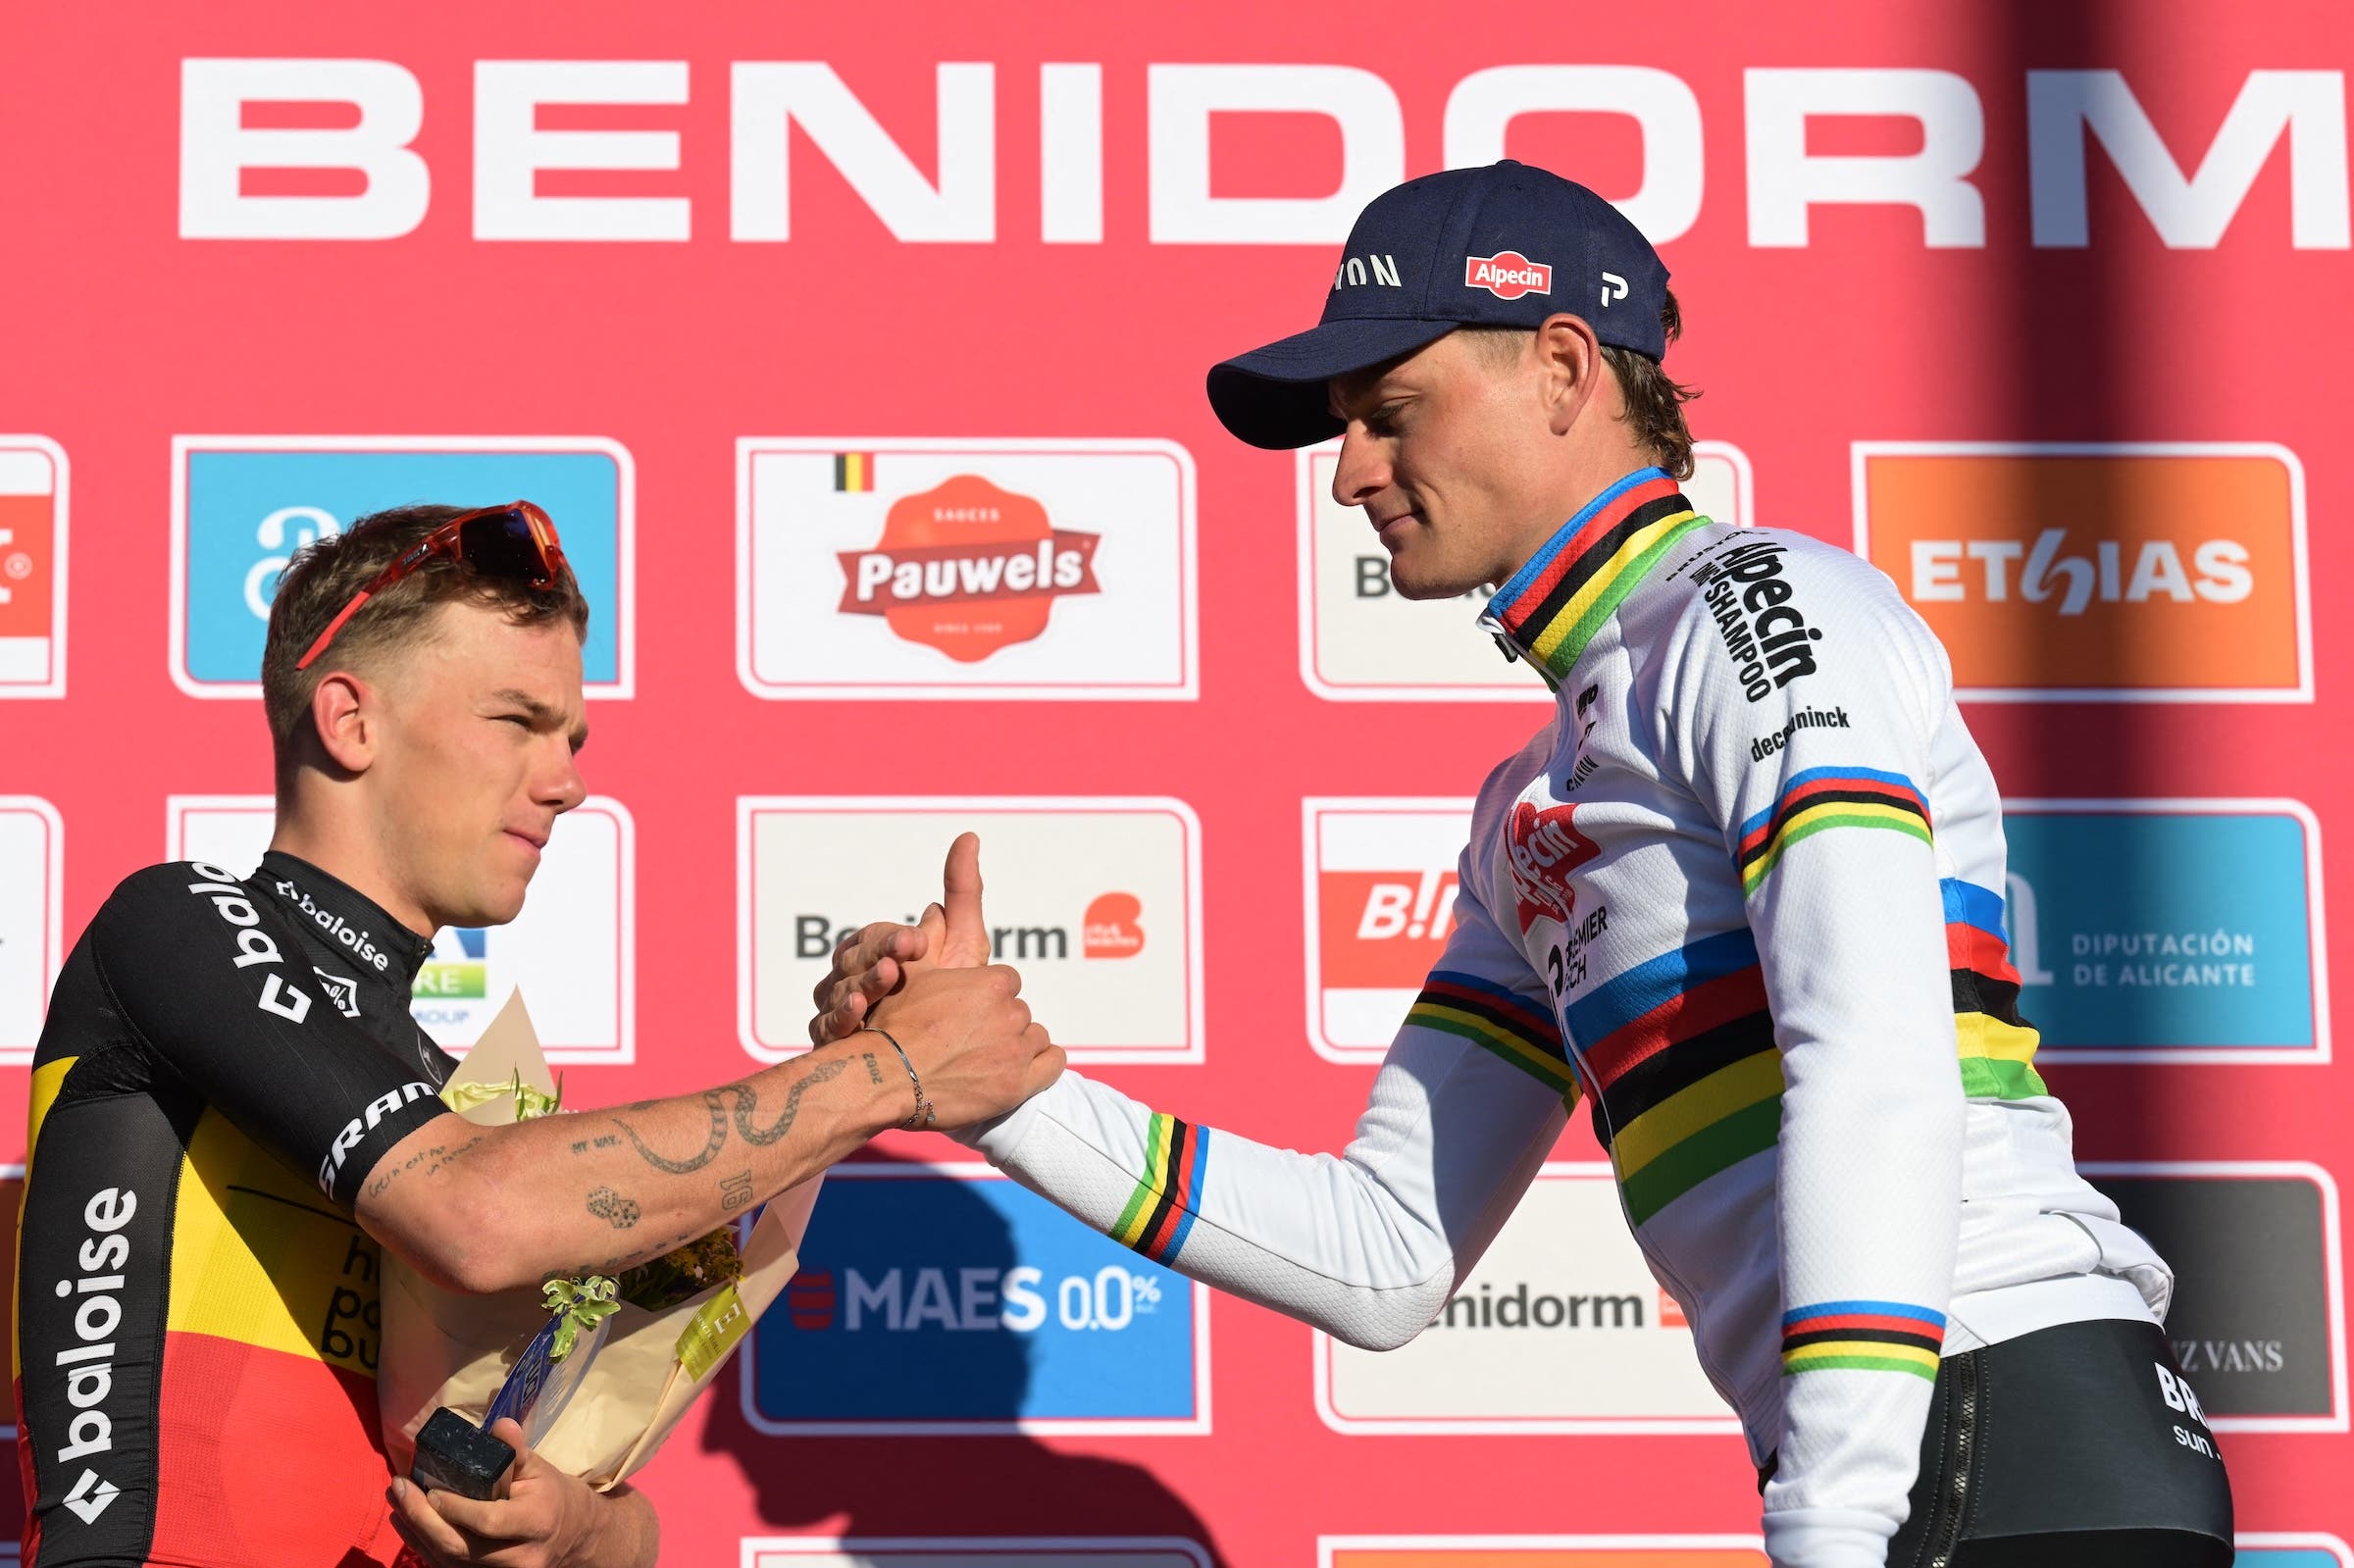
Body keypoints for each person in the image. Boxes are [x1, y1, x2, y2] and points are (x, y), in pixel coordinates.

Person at [812, 163, 2236, 1567]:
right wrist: (1007, 1093)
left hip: (2010, 1430)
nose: (1351, 473)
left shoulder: (1756, 611)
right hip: (1928, 1462)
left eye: (1389, 412)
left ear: (1564, 368)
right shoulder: (1533, 800)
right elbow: (1381, 1252)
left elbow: (1870, 1052)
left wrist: (1838, 1509)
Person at [13, 501, 1060, 1568]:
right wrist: (884, 1077)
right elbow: (472, 1214)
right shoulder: (172, 925)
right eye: (516, 722)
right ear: (350, 721)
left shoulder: (439, 1090)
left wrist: (578, 1528)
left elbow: (615, 1512)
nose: (567, 782)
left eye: (571, 738)